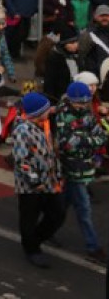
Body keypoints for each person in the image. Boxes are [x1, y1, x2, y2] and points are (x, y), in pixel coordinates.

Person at [11, 91, 66, 269]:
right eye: (46, 108)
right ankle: (32, 249)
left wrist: (57, 174)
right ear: (37, 112)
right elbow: (22, 161)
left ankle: (37, 237)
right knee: (29, 218)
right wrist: (35, 181)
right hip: (30, 186)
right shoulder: (22, 131)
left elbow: (50, 153)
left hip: (49, 181)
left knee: (58, 214)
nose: (50, 110)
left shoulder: (44, 125)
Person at [54, 82, 108, 263]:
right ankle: (93, 247)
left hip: (83, 167)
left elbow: (101, 136)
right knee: (83, 209)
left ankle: (45, 230)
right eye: (81, 103)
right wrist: (88, 139)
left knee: (61, 205)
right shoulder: (63, 115)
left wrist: (83, 139)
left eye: (86, 102)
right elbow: (66, 143)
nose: (84, 106)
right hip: (71, 167)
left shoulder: (86, 114)